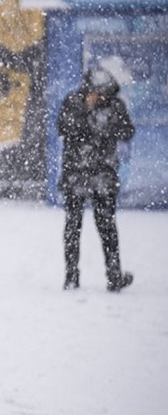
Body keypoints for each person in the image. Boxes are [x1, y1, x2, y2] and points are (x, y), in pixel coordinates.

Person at [57, 68, 135, 292]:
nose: (100, 97)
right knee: (73, 226)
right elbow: (63, 128)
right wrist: (87, 113)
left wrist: (104, 125)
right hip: (76, 174)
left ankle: (114, 277)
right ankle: (71, 276)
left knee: (107, 227)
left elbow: (127, 131)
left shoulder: (115, 106)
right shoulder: (73, 102)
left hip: (103, 175)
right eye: (96, 93)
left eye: (104, 94)